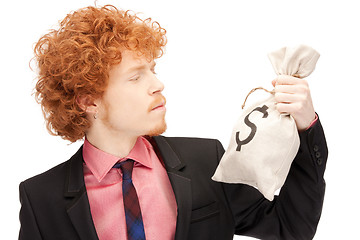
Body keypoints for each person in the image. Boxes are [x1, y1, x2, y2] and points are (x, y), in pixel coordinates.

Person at [18, 5, 328, 240]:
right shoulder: (41, 198)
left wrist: (305, 125)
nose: (157, 85)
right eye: (136, 77)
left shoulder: (207, 162)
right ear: (89, 101)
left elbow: (291, 226)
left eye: (152, 70)